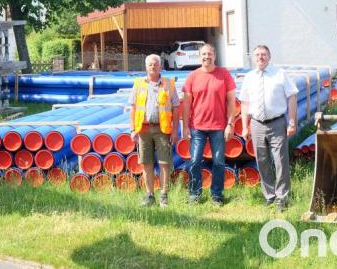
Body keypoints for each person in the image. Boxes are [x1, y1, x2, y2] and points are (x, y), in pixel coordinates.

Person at [240, 45, 298, 212]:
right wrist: (244, 126)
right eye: (257, 55)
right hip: (256, 123)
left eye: (264, 54)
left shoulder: (279, 74)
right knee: (262, 160)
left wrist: (292, 122)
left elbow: (292, 96)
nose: (260, 57)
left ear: (269, 57)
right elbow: (244, 103)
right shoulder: (249, 77)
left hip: (277, 123)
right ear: (253, 58)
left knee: (280, 160)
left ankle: (282, 196)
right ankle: (269, 195)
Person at [182, 43, 236, 205]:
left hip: (219, 127)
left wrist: (230, 124)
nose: (207, 57)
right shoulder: (192, 76)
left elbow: (231, 101)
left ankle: (217, 194)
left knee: (219, 162)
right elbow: (186, 104)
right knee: (195, 161)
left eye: (210, 54)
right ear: (200, 56)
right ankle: (194, 194)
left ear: (215, 56)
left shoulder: (224, 74)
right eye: (204, 54)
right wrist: (185, 127)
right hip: (197, 127)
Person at [128, 54, 180, 207]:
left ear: (160, 66)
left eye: (156, 64)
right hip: (143, 130)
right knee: (146, 163)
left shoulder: (169, 84)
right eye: (150, 64)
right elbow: (133, 108)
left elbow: (176, 108)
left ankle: (163, 196)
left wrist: (175, 130)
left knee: (164, 163)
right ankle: (150, 195)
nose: (153, 67)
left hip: (163, 129)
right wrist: (132, 130)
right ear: (146, 67)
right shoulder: (138, 83)